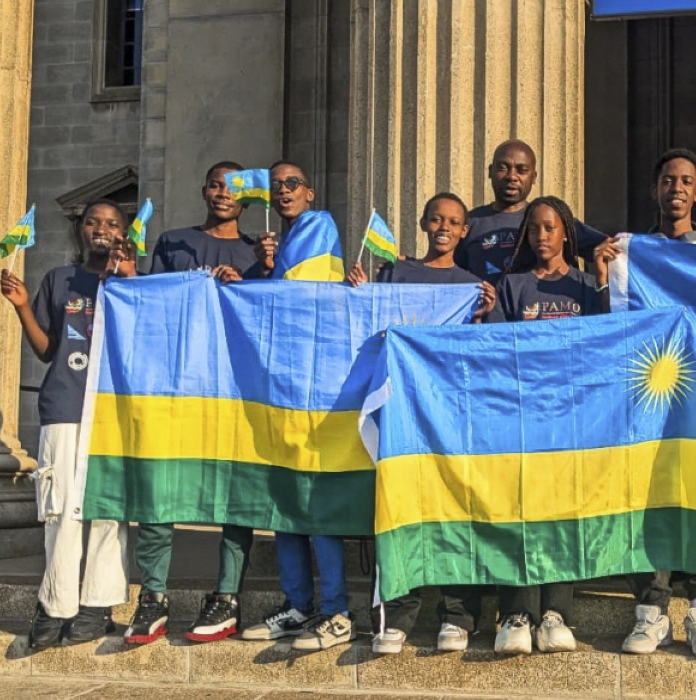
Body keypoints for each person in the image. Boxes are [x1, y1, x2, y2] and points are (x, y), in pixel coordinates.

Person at [346, 192, 496, 655]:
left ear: (465, 230)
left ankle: (456, 614)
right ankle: (396, 612)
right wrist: (357, 294)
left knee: (454, 508)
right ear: (424, 224)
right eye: (436, 219)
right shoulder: (395, 274)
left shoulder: (471, 285)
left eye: (453, 221)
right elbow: (367, 329)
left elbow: (479, 354)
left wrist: (486, 315)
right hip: (400, 414)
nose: (444, 227)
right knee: (398, 508)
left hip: (451, 416)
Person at [124, 161, 261, 647]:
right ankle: (153, 597)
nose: (224, 193)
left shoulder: (258, 250)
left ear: (247, 199)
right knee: (160, 487)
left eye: (233, 187)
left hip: (236, 389)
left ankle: (227, 596)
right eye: (216, 184)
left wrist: (251, 279)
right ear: (204, 190)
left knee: (236, 493)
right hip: (178, 383)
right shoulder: (173, 241)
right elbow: (152, 304)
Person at [0, 199, 136, 650]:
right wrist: (22, 306)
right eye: (93, 222)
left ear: (125, 232)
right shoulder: (59, 279)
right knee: (59, 507)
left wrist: (130, 281)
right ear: (81, 230)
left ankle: (97, 607)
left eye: (112, 223)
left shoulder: (134, 282)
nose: (102, 228)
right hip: (65, 405)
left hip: (115, 410)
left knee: (107, 509)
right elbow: (45, 349)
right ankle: (56, 605)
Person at [610, 148, 696, 659]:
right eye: (667, 180)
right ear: (654, 190)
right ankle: (651, 610)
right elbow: (615, 323)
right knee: (650, 496)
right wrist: (606, 278)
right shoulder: (633, 254)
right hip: (651, 398)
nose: (676, 188)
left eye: (686, 181)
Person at [240, 161, 355, 652]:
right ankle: (298, 605)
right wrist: (256, 272)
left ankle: (336, 611)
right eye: (276, 186)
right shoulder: (282, 242)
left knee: (315, 503)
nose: (282, 192)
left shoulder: (317, 224)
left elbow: (293, 300)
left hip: (314, 387)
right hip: (282, 387)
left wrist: (259, 280)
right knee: (285, 501)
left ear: (309, 193)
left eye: (291, 184)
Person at [483, 195, 603, 655]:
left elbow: (605, 342)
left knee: (561, 517)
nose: (542, 236)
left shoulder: (587, 286)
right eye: (534, 228)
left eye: (551, 228)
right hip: (521, 419)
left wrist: (606, 282)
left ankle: (555, 613)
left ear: (566, 233)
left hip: (571, 419)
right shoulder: (510, 286)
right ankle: (517, 613)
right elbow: (494, 348)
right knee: (520, 515)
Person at [454, 139, 606, 284]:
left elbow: (611, 251)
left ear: (534, 177)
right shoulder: (469, 224)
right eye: (503, 168)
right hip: (484, 310)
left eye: (522, 170)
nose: (512, 176)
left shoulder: (554, 220)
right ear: (490, 171)